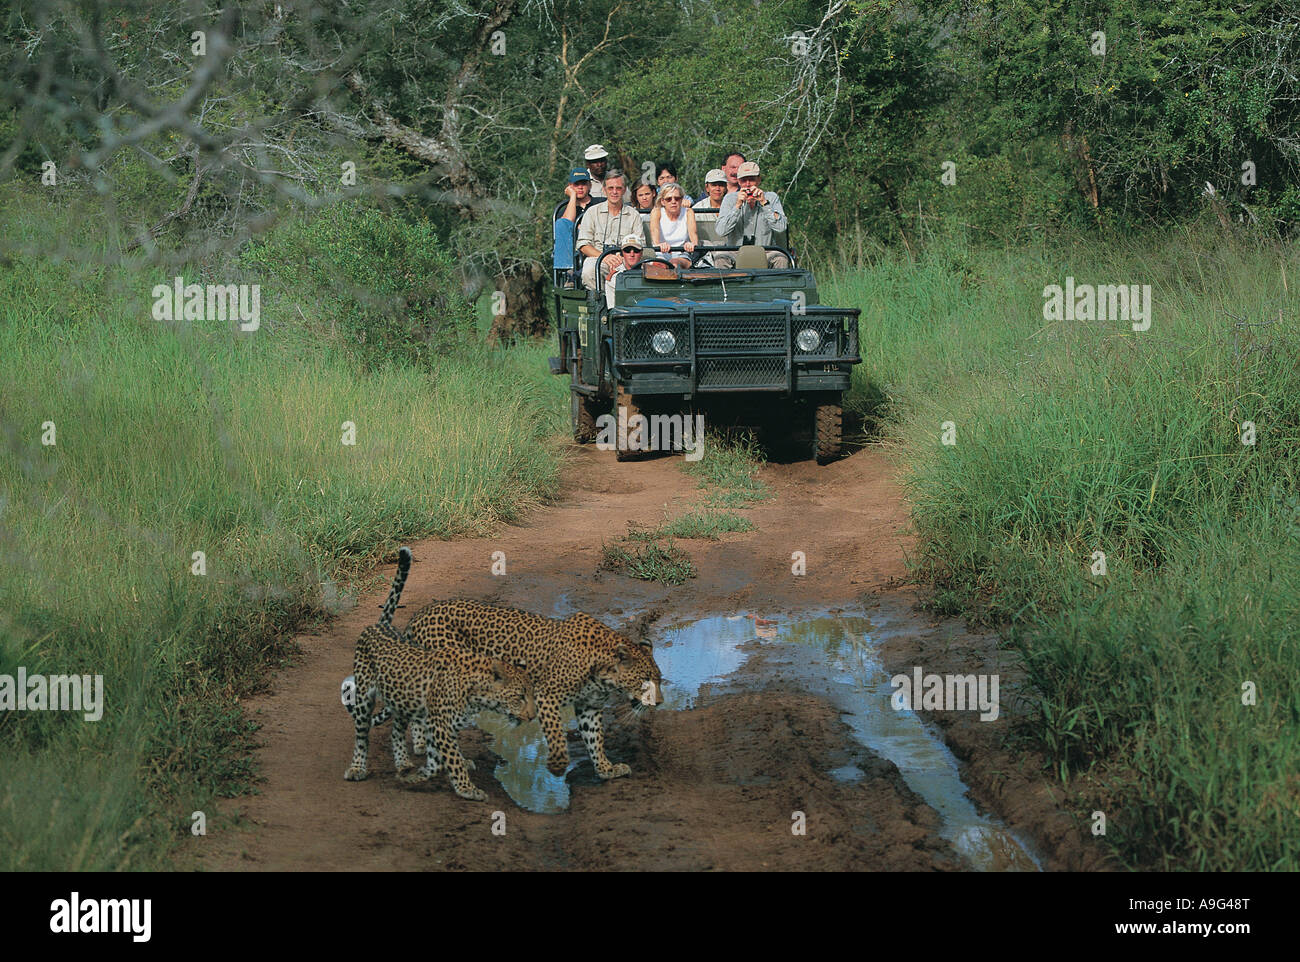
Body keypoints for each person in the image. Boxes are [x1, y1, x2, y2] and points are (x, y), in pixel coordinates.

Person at [715, 160, 790, 268]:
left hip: (766, 251)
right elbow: (721, 231)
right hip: (735, 251)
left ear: (759, 180)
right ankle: (727, 285)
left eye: (751, 179)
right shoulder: (729, 199)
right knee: (720, 259)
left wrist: (765, 204)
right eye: (744, 180)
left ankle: (776, 285)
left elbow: (781, 228)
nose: (748, 184)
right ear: (739, 182)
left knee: (781, 259)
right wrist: (737, 206)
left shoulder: (771, 198)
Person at [577, 169, 642, 289]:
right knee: (589, 270)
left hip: (626, 260)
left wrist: (622, 257)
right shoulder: (592, 212)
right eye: (610, 188)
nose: (614, 192)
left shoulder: (634, 215)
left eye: (618, 188)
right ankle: (601, 304)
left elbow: (640, 244)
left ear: (624, 190)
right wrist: (604, 257)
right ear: (604, 190)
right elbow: (583, 245)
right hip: (598, 259)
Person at [648, 184, 698, 267]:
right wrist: (659, 244)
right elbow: (654, 231)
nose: (673, 201)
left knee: (674, 263)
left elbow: (694, 235)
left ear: (681, 200)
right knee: (660, 266)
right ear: (663, 201)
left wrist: (691, 244)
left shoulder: (688, 212)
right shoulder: (657, 212)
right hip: (661, 254)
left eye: (677, 198)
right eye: (669, 199)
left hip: (682, 254)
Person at [604, 232, 645, 308]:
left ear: (641, 253)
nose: (632, 254)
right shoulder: (614, 278)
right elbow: (613, 309)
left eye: (636, 250)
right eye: (627, 250)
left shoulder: (651, 273)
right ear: (622, 253)